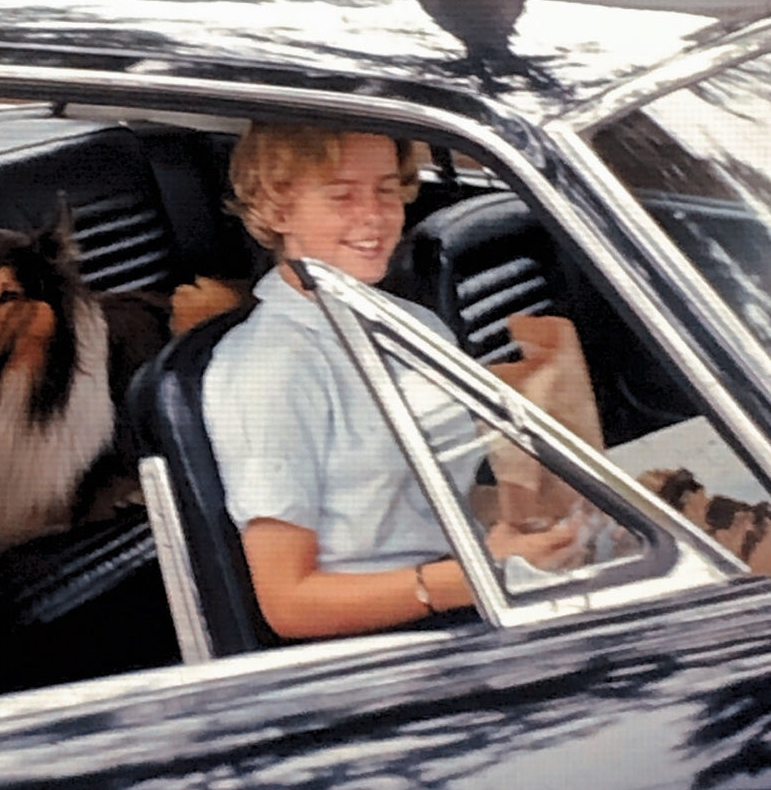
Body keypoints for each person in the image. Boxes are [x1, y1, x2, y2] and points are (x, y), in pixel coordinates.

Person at [202, 122, 578, 640]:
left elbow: (442, 492)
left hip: (475, 586)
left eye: (385, 189)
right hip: (390, 639)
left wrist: (530, 533)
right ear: (276, 210)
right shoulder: (267, 369)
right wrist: (476, 576)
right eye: (341, 196)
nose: (374, 216)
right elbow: (289, 603)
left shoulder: (412, 324)